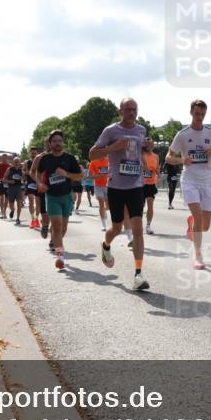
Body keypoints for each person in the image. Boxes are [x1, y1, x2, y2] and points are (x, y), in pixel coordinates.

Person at [90, 98, 150, 290]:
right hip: (116, 186)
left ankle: (138, 274)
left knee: (137, 228)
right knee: (116, 228)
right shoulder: (111, 131)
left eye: (135, 109)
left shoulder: (141, 130)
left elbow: (138, 153)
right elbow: (92, 154)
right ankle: (106, 245)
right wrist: (112, 148)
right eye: (128, 109)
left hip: (136, 185)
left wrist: (147, 149)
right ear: (120, 111)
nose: (132, 113)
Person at [166, 100, 211, 269]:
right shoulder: (182, 134)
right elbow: (168, 157)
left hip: (208, 180)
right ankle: (198, 256)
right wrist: (182, 160)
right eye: (197, 114)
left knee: (205, 226)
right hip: (190, 180)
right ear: (191, 112)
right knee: (198, 217)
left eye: (202, 114)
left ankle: (192, 226)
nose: (200, 117)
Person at [33, 131, 83, 269]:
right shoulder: (45, 159)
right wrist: (39, 184)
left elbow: (80, 176)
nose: (57, 143)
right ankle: (60, 256)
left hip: (66, 196)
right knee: (56, 226)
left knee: (64, 227)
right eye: (54, 141)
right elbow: (37, 172)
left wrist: (66, 174)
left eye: (60, 140)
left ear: (63, 142)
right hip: (52, 196)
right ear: (50, 143)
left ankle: (55, 242)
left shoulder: (70, 159)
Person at [141, 139, 160, 235]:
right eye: (148, 144)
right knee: (140, 206)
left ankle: (148, 225)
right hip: (140, 184)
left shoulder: (156, 156)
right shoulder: (140, 155)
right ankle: (137, 224)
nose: (151, 145)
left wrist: (156, 171)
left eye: (152, 144)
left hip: (151, 183)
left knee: (150, 204)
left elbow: (157, 170)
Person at [89, 156, 110, 230]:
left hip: (108, 185)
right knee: (101, 202)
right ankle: (103, 224)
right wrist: (98, 177)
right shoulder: (93, 162)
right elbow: (90, 176)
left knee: (108, 206)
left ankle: (104, 210)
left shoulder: (109, 160)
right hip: (98, 186)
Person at [3, 157, 25, 225]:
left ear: (20, 162)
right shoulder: (9, 169)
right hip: (11, 188)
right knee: (11, 204)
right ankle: (12, 210)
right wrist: (10, 181)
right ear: (13, 162)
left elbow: (24, 180)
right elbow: (3, 179)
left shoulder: (22, 171)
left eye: (17, 161)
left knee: (19, 204)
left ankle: (18, 218)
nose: (16, 163)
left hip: (19, 188)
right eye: (15, 162)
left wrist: (23, 181)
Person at [0, 154, 11, 218]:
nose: (4, 159)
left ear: (7, 158)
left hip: (7, 183)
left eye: (5, 157)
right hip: (0, 182)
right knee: (2, 198)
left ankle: (4, 211)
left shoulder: (9, 165)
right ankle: (2, 213)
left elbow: (11, 174)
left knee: (6, 199)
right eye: (3, 157)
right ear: (1, 158)